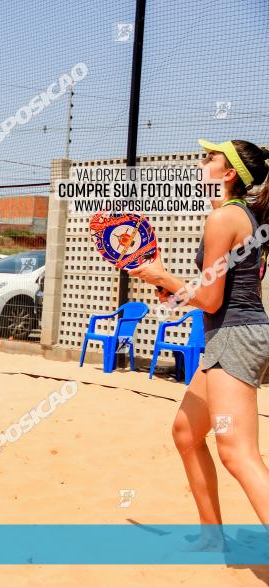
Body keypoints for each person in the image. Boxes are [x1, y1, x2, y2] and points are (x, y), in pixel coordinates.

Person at [129, 139, 269, 549]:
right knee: (187, 433)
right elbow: (218, 294)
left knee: (237, 453)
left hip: (235, 338)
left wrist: (161, 276)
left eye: (210, 158)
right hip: (230, 334)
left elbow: (209, 298)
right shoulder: (236, 215)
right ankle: (212, 538)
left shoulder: (224, 217)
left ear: (228, 175)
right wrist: (175, 290)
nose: (201, 161)